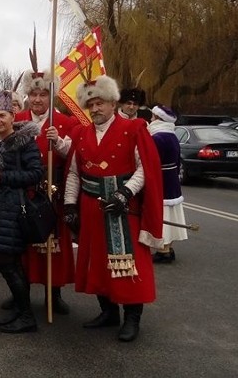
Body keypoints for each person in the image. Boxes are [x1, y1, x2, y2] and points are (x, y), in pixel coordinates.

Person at [64, 75, 163, 342]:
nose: (95, 109)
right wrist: (69, 204)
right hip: (91, 209)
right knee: (97, 262)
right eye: (91, 104)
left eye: (100, 103)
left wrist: (125, 192)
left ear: (112, 102)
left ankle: (132, 318)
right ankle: (107, 312)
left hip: (122, 209)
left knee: (128, 265)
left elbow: (145, 168)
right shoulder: (81, 134)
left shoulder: (134, 129)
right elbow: (74, 173)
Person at [13, 69, 78, 315]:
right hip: (25, 190)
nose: (38, 99)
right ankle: (21, 293)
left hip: (53, 190)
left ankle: (54, 293)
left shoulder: (65, 123)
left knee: (54, 244)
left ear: (51, 96)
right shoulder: (16, 120)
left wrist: (59, 143)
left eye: (43, 94)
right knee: (23, 244)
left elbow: (74, 160)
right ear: (27, 95)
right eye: (33, 94)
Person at [0, 91, 43, 333]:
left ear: (13, 116)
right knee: (9, 263)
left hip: (15, 210)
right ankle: (20, 308)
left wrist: (2, 176)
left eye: (2, 115)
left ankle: (26, 316)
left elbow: (35, 174)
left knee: (9, 263)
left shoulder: (25, 142)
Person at [149, 105, 187, 263]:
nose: (151, 119)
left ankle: (163, 250)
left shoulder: (157, 137)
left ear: (158, 118)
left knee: (162, 213)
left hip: (162, 179)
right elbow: (177, 161)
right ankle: (169, 247)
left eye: (152, 116)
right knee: (171, 213)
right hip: (172, 178)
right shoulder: (172, 135)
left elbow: (151, 161)